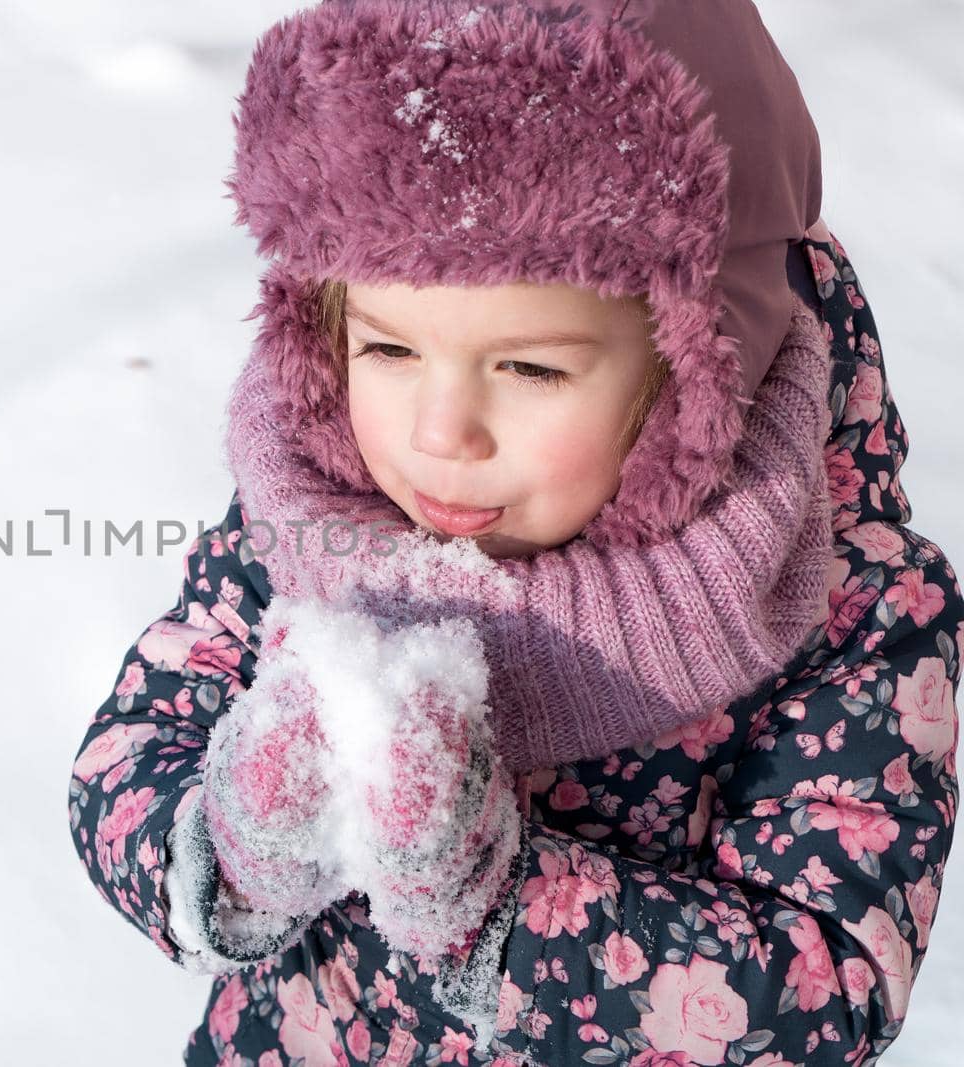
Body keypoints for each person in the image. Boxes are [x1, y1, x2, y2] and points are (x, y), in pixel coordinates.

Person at [66, 2, 963, 1063]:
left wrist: (495, 901)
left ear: (702, 360)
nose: (442, 434)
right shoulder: (311, 519)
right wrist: (239, 848)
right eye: (387, 349)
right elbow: (127, 755)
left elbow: (827, 987)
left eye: (531, 368)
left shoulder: (845, 605)